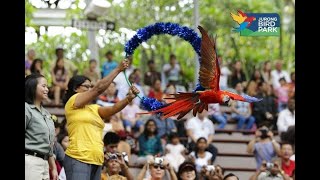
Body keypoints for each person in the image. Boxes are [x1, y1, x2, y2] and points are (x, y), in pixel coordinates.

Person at [62, 59, 139, 180]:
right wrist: (118, 69)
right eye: (86, 86)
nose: (89, 89)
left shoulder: (94, 108)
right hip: (78, 157)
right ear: (75, 88)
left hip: (97, 160)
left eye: (90, 87)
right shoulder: (73, 101)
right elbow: (97, 89)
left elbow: (113, 108)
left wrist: (129, 98)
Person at [25, 74, 58, 180]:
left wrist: (53, 168)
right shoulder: (26, 109)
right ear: (32, 86)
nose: (47, 89)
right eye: (43, 86)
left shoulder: (47, 114)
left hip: (45, 163)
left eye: (47, 87)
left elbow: (49, 146)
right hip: (30, 161)